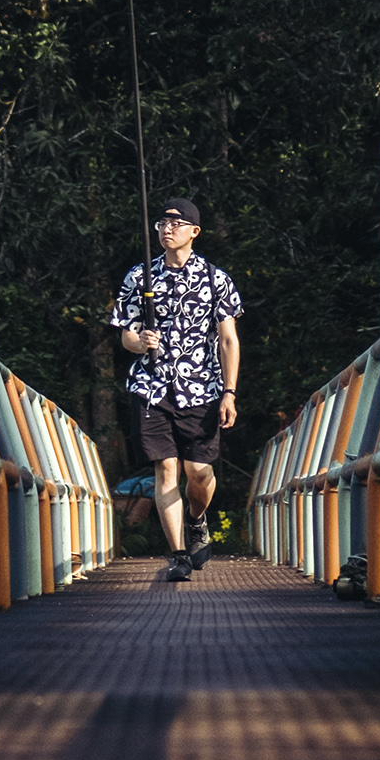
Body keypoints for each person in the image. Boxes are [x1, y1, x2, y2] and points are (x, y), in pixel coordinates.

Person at [110, 195, 241, 583]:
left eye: (176, 223)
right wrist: (140, 343)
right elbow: (126, 336)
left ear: (194, 232)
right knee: (166, 469)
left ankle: (197, 519)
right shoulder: (140, 277)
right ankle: (179, 554)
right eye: (162, 223)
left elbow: (228, 340)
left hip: (203, 388)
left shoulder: (216, 279)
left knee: (198, 472)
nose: (167, 229)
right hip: (152, 387)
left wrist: (230, 392)